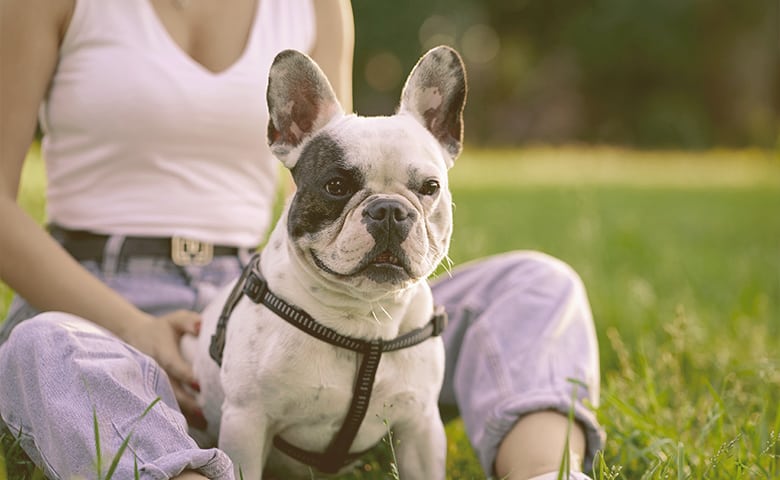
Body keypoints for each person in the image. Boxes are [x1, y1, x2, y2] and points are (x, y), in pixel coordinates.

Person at [0, 0, 604, 478]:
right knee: (47, 348)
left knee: (537, 283)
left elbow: (340, 167)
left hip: (282, 290)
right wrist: (134, 327)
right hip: (100, 292)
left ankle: (543, 471)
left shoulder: (315, 4)